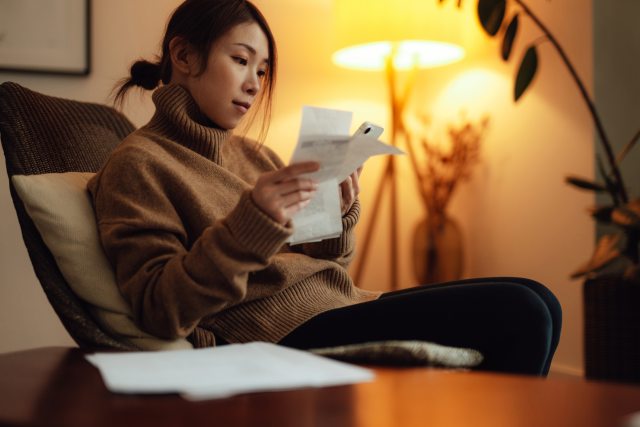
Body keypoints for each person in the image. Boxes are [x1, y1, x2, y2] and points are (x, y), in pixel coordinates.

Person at [89, 0, 561, 376]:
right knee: (519, 311)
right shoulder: (137, 165)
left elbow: (326, 266)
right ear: (184, 56)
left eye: (263, 70)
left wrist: (337, 215)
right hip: (280, 335)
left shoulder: (256, 156)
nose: (254, 84)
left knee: (540, 298)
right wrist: (250, 225)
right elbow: (157, 307)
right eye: (240, 60)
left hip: (337, 304)